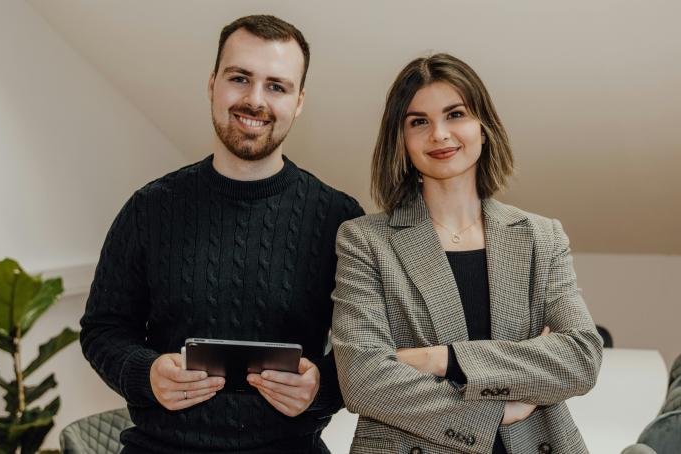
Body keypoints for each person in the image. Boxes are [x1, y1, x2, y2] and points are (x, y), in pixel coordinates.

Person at [80, 15, 363, 454]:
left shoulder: (341, 220)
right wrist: (146, 374)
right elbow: (103, 329)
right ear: (212, 83)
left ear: (299, 101)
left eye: (276, 86)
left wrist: (321, 389)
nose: (254, 100)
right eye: (239, 78)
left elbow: (367, 351)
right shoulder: (149, 208)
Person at [331, 53, 603, 453]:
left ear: (483, 127)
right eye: (418, 122)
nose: (439, 134)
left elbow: (581, 357)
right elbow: (363, 379)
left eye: (455, 114)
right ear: (401, 140)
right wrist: (497, 409)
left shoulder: (541, 236)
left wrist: (444, 360)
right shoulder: (364, 241)